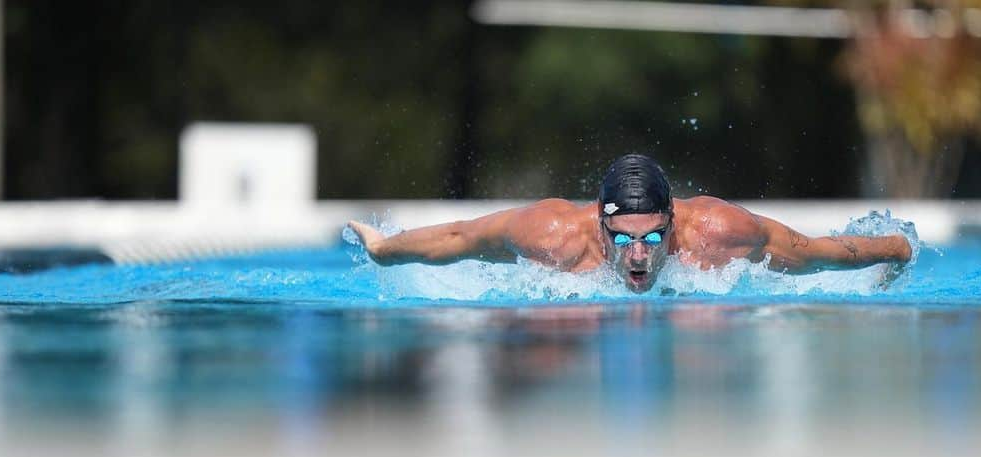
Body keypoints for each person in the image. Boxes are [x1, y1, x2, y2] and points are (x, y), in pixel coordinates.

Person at [346, 154, 912, 294]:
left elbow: (817, 250)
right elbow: (461, 237)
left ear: (672, 222)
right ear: (599, 224)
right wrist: (384, 249)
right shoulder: (556, 237)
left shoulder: (719, 234)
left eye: (651, 238)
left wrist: (895, 248)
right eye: (622, 239)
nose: (637, 255)